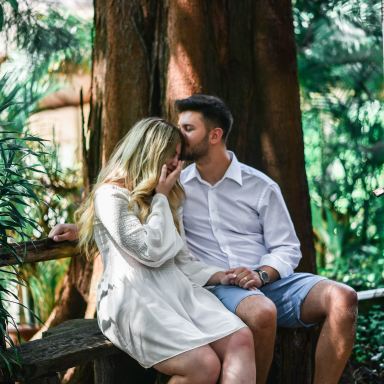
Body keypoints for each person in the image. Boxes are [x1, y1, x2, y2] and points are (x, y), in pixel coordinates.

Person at [50, 96, 358, 384]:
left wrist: (261, 273)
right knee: (224, 348)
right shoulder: (171, 186)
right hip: (166, 295)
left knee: (339, 299)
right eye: (173, 149)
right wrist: (88, 226)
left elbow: (284, 248)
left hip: (247, 280)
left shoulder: (253, 185)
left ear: (215, 135)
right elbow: (137, 232)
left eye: (187, 129)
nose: (179, 149)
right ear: (153, 155)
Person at [74, 117, 256, 384]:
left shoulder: (165, 197)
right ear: (152, 151)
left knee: (241, 340)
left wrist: (221, 276)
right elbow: (149, 250)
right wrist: (160, 197)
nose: (176, 163)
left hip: (176, 292)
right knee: (203, 365)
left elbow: (180, 259)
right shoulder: (110, 196)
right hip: (135, 300)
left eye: (179, 156)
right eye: (172, 155)